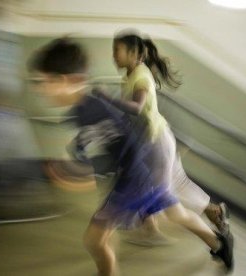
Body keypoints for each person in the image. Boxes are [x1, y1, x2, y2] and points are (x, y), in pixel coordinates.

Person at [29, 37, 234, 275]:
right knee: (175, 213)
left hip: (136, 176)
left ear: (67, 80)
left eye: (44, 82)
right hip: (142, 172)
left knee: (95, 240)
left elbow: (126, 136)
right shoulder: (81, 110)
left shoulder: (98, 105)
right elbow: (96, 143)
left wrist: (81, 172)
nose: (40, 89)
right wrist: (77, 161)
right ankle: (219, 244)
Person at [92, 30, 230, 245]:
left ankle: (212, 240)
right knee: (174, 184)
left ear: (133, 53)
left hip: (156, 144)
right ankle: (213, 212)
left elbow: (136, 107)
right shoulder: (131, 74)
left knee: (161, 197)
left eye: (117, 50)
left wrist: (106, 98)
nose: (113, 56)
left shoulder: (140, 75)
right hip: (157, 140)